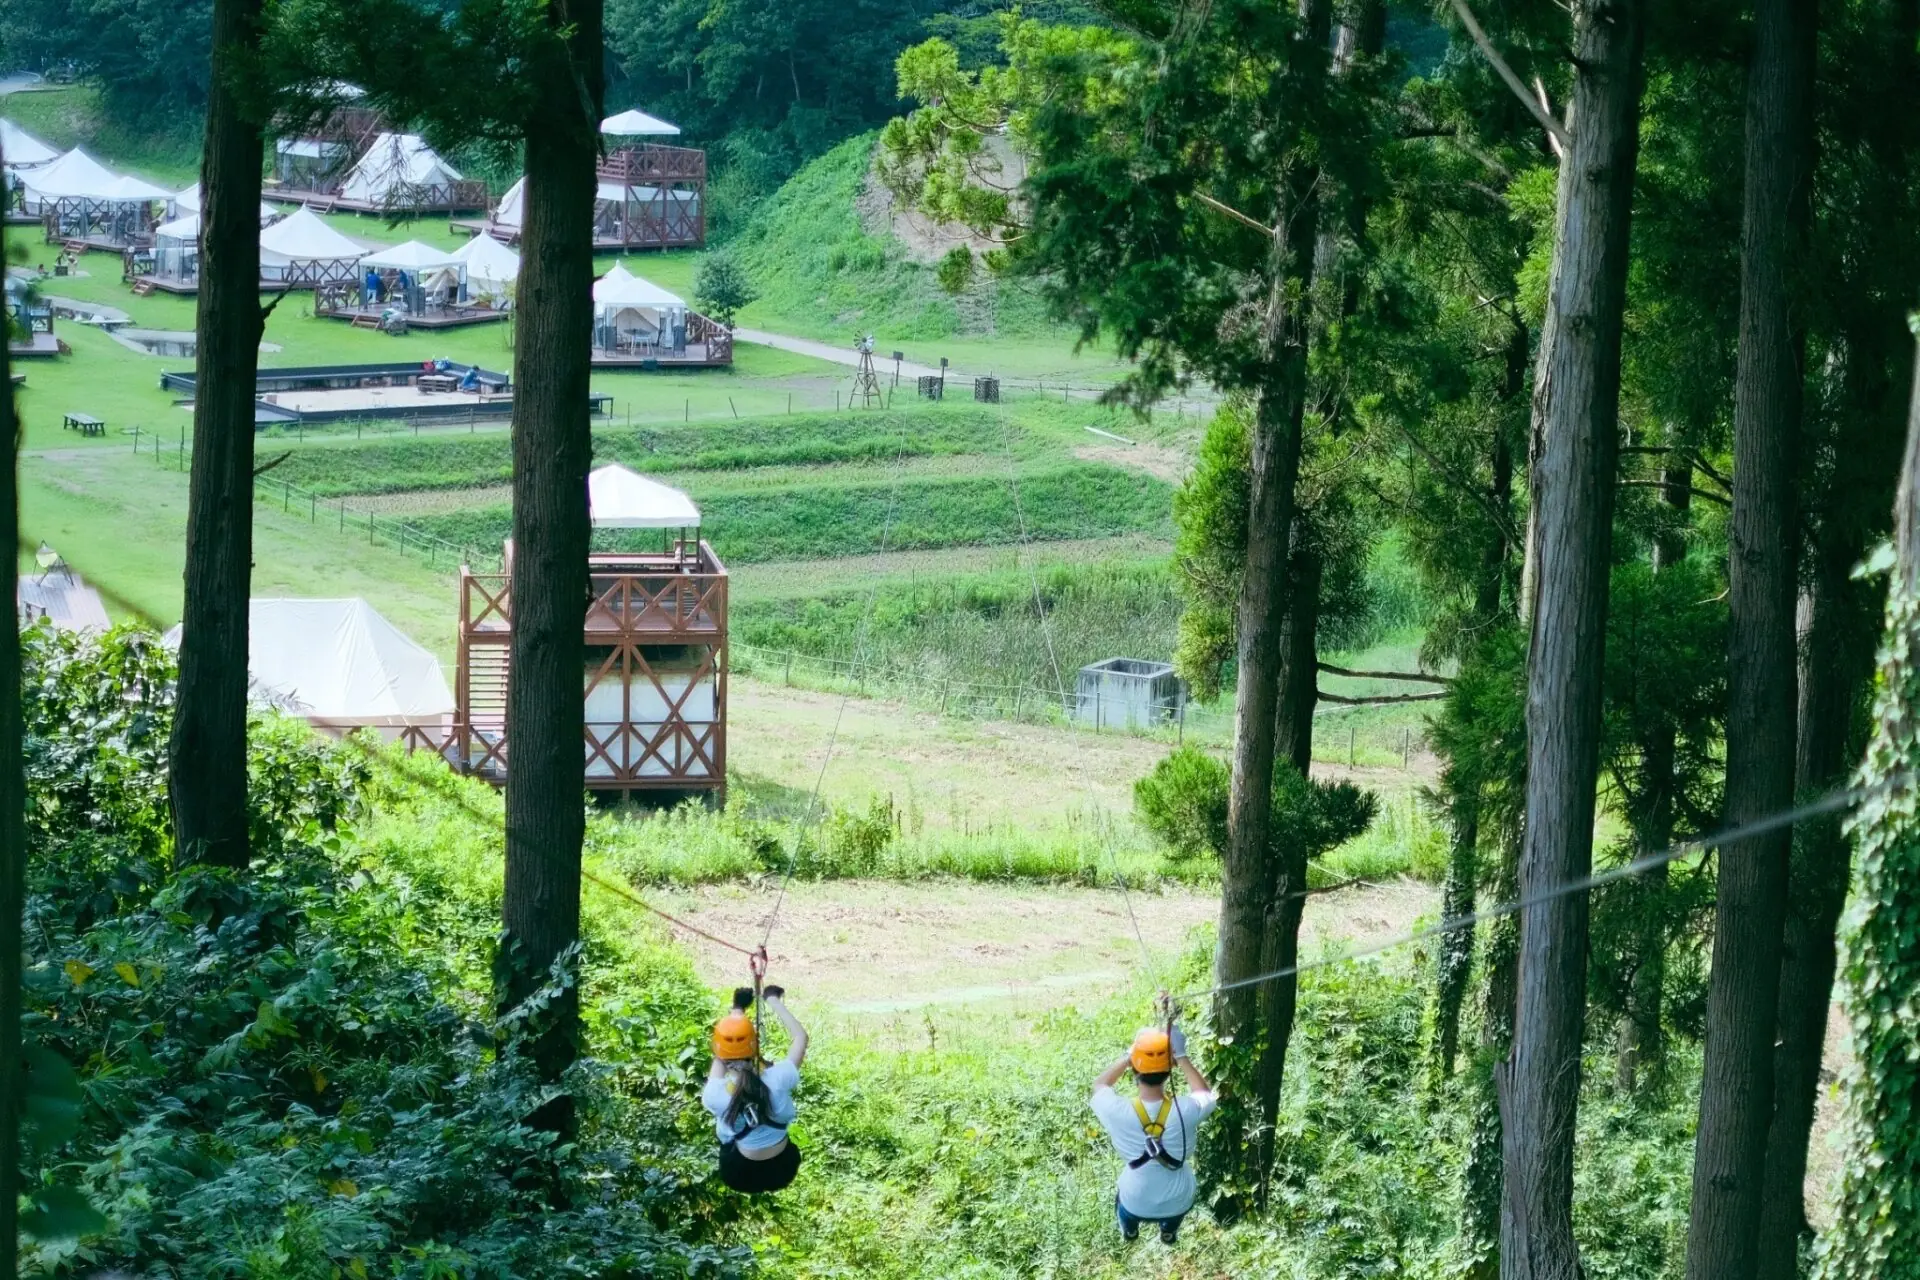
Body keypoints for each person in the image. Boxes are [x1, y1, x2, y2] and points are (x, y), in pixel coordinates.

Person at [1090, 1022, 1215, 1244]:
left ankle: (1129, 1231)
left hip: (1136, 1199)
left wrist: (1130, 1056)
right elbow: (1204, 1093)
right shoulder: (1185, 1109)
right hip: (1178, 1199)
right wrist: (1182, 1056)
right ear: (1170, 1071)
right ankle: (1168, 1232)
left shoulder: (1116, 1111)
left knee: (1125, 1210)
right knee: (1174, 1212)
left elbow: (1099, 1085)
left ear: (1134, 1072)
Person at [701, 982, 809, 1193]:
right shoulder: (777, 1078)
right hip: (781, 1168)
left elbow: (720, 1057)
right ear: (755, 1044)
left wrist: (736, 1011)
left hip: (740, 1174)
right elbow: (801, 1038)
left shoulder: (715, 1096)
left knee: (725, 1135)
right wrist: (772, 999)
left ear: (717, 1049)